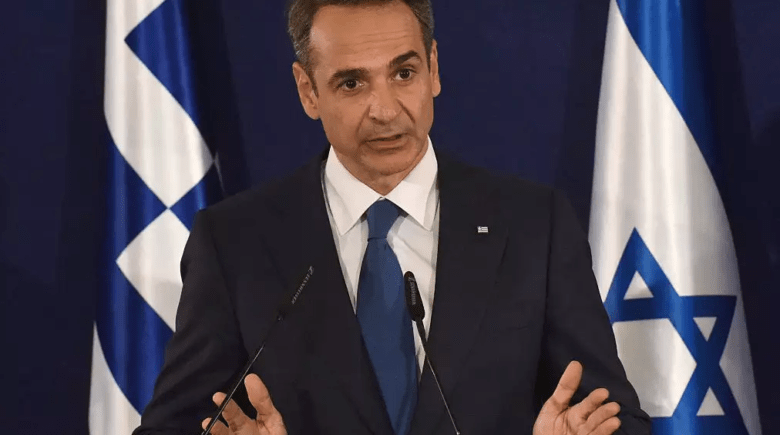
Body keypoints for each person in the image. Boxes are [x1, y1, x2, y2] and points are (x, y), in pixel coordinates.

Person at [134, 0, 651, 434]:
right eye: (351, 83)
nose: (385, 109)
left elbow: (616, 418)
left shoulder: (535, 226)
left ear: (434, 68)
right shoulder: (234, 244)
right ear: (308, 91)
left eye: (404, 73)